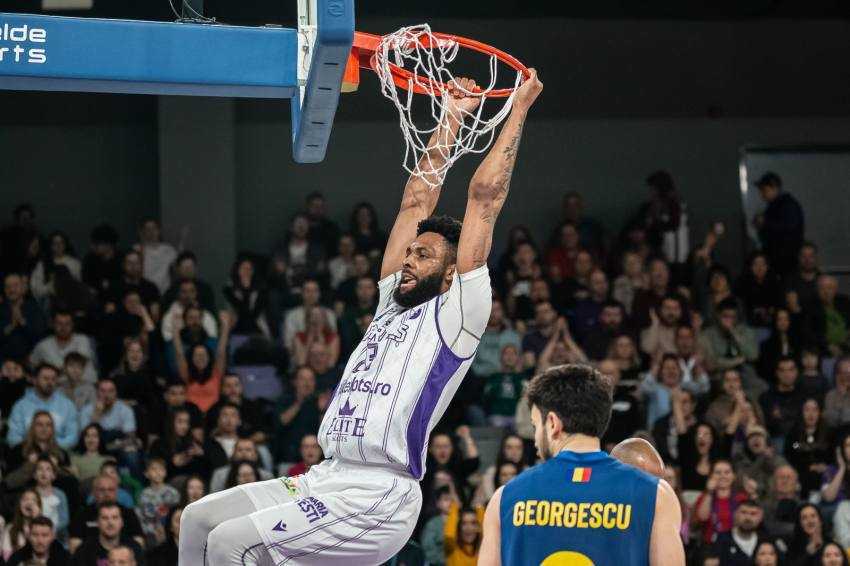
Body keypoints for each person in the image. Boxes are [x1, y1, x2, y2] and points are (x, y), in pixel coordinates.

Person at [179, 72, 542, 565]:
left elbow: (485, 197)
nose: (409, 259)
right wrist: (451, 117)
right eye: (409, 251)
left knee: (229, 543)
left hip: (381, 494)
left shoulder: (460, 313)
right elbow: (417, 199)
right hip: (326, 475)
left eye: (423, 255)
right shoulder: (392, 301)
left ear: (451, 271)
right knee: (198, 520)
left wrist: (518, 108)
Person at [478, 364, 684, 566]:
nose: (534, 439)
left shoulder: (504, 498)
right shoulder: (657, 496)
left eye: (535, 426)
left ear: (552, 423)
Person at [6, 363, 79, 449]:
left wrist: (50, 447)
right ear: (34, 380)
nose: (50, 382)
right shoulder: (20, 406)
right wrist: (34, 448)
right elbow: (13, 437)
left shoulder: (68, 405)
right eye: (45, 378)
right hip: (28, 455)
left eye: (53, 379)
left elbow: (73, 437)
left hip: (58, 454)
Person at [753, 172, 804, 276]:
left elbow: (789, 228)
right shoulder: (775, 206)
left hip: (785, 261)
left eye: (764, 190)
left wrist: (765, 222)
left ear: (775, 188)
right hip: (776, 260)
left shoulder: (788, 205)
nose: (762, 194)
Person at [30, 310, 98, 384]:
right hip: (57, 389)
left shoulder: (83, 340)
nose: (63, 327)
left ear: (72, 325)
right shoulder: (43, 345)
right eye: (59, 323)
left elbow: (80, 362)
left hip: (86, 385)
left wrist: (57, 369)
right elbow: (32, 363)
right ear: (53, 324)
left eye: (67, 324)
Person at [72, 502, 146, 566]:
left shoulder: (134, 548)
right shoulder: (84, 551)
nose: (110, 523)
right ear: (97, 522)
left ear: (122, 522)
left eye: (115, 518)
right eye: (105, 518)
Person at [0, 272, 48, 362]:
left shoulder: (34, 308)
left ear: (23, 287)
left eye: (15, 285)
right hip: (3, 360)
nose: (12, 289)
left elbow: (40, 336)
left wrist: (22, 322)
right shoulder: (1, 309)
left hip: (29, 359)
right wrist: (11, 326)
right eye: (8, 286)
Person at [136, 458, 180, 548]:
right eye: (154, 469)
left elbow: (177, 514)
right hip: (150, 534)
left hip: (170, 532)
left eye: (161, 469)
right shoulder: (143, 495)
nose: (158, 472)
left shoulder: (173, 493)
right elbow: (142, 516)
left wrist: (166, 530)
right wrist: (152, 531)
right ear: (146, 474)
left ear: (165, 472)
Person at [711, 500, 767, 566]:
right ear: (735, 514)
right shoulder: (721, 539)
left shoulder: (765, 540)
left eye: (753, 514)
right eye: (743, 512)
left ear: (760, 518)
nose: (748, 518)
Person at [138, 217, 177, 295]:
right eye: (148, 229)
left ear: (159, 230)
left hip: (164, 291)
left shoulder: (169, 250)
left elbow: (177, 269)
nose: (151, 231)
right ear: (143, 231)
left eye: (154, 228)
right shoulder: (137, 249)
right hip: (145, 291)